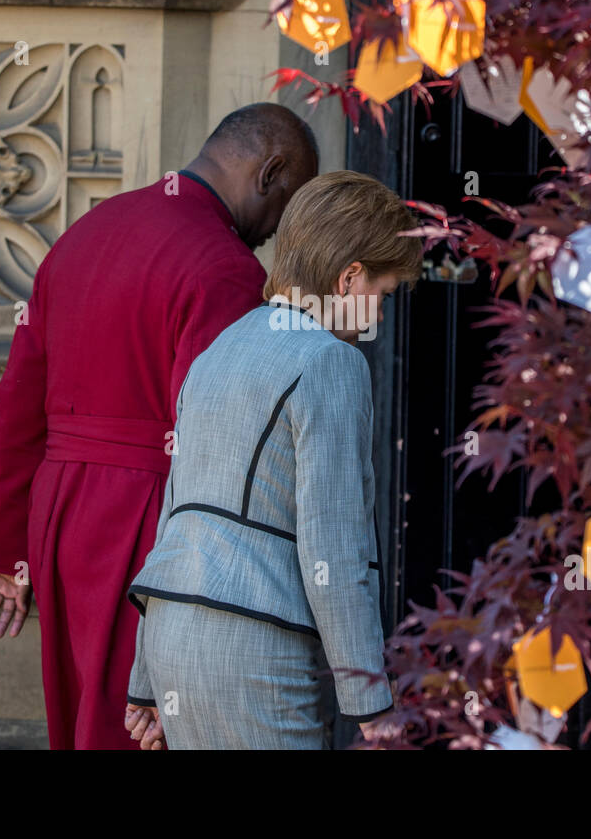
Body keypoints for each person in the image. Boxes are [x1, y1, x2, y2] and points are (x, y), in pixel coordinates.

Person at [0, 103, 319, 749]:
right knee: (140, 727)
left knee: (83, 721)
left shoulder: (85, 230)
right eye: (286, 205)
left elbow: (18, 407)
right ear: (269, 171)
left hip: (59, 520)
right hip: (146, 522)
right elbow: (214, 450)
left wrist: (8, 552)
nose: (276, 232)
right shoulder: (224, 267)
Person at [122, 170, 422, 749]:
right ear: (350, 277)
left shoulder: (219, 350)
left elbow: (175, 521)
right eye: (383, 295)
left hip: (172, 639)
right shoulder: (331, 361)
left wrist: (145, 684)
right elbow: (331, 550)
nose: (380, 318)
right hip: (257, 649)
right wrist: (371, 705)